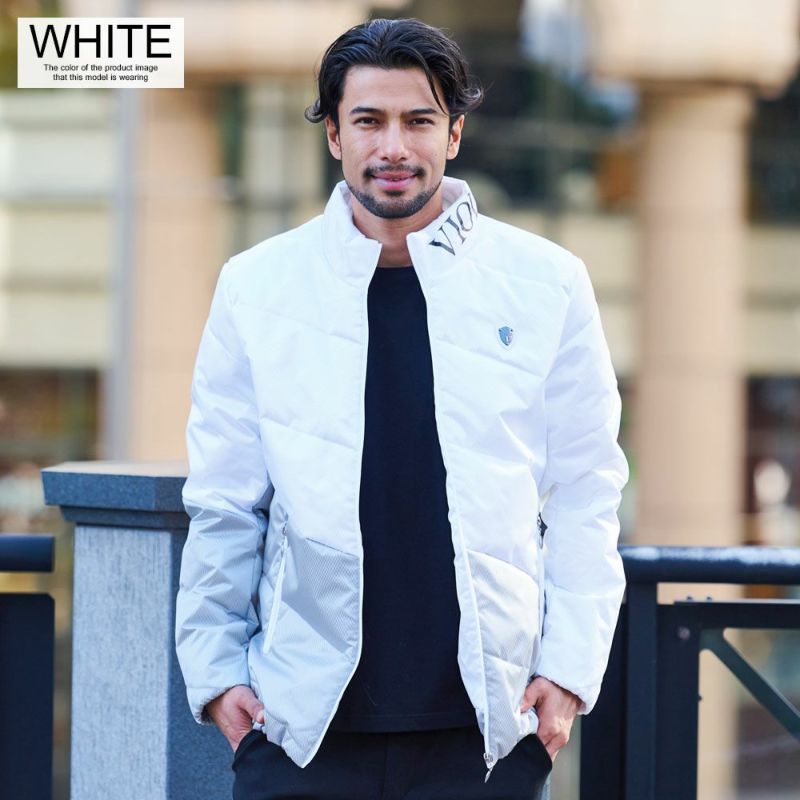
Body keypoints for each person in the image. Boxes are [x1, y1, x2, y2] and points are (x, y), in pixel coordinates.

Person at [175, 16, 628, 800]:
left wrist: (568, 671)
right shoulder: (257, 287)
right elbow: (224, 499)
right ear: (333, 136)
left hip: (486, 733)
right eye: (368, 121)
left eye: (418, 121)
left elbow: (587, 488)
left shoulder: (547, 282)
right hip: (299, 728)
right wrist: (215, 673)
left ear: (454, 133)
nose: (394, 147)